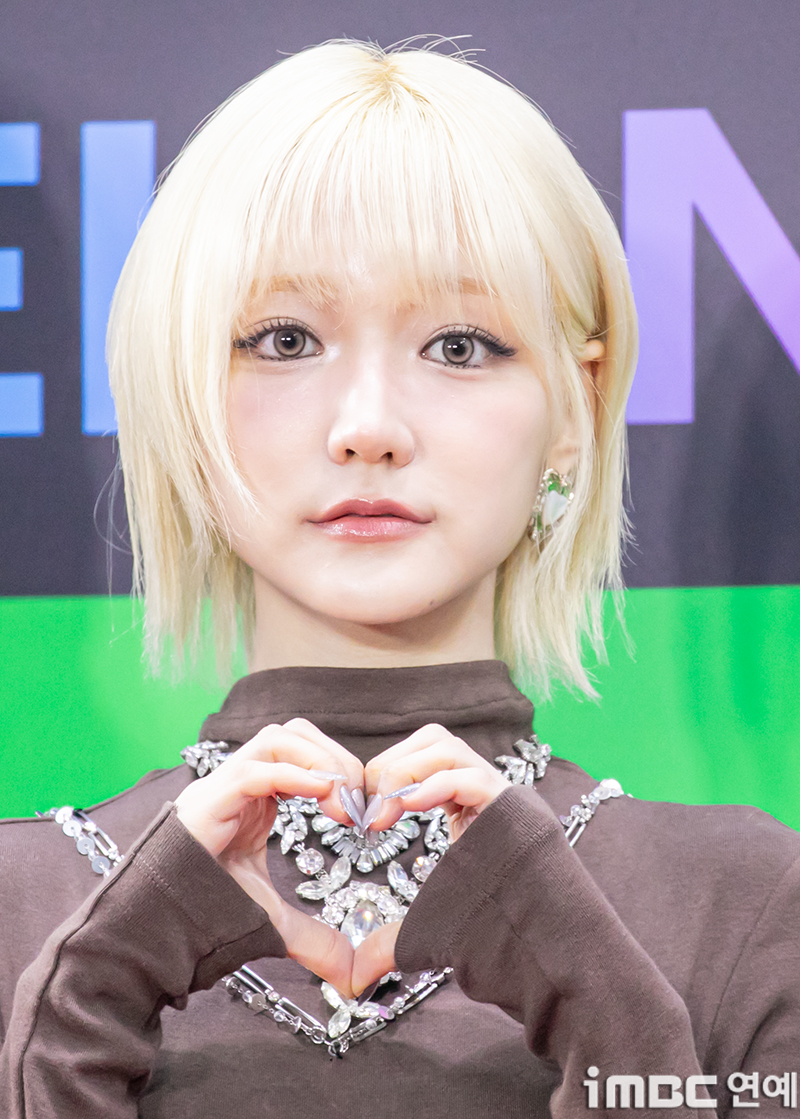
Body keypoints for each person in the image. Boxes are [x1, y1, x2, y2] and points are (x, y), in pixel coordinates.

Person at [1, 39, 798, 1119]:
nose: (368, 425)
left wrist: (607, 1005)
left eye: (460, 346)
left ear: (575, 405)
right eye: (284, 339)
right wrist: (82, 997)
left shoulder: (748, 903)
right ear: (179, 400)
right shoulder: (18, 905)